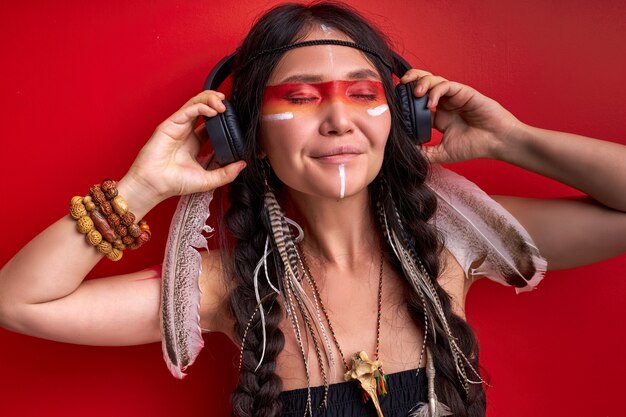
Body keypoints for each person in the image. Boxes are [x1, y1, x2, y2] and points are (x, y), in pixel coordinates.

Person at [0, 2, 625, 417]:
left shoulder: (455, 240)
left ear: (403, 118)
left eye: (362, 93)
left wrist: (509, 139)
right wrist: (141, 188)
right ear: (247, 135)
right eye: (300, 98)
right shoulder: (227, 285)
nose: (338, 120)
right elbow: (19, 302)